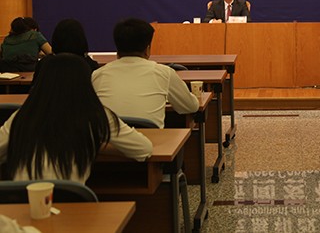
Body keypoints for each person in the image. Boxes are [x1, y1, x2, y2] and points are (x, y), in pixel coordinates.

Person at [0, 54, 152, 183]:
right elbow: (143, 149)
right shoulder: (95, 114)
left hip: (21, 202)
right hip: (69, 201)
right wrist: (94, 144)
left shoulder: (23, 115)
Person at [92, 18, 199, 128]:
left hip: (109, 138)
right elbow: (190, 106)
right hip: (151, 138)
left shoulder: (98, 75)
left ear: (117, 50)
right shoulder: (164, 73)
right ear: (147, 49)